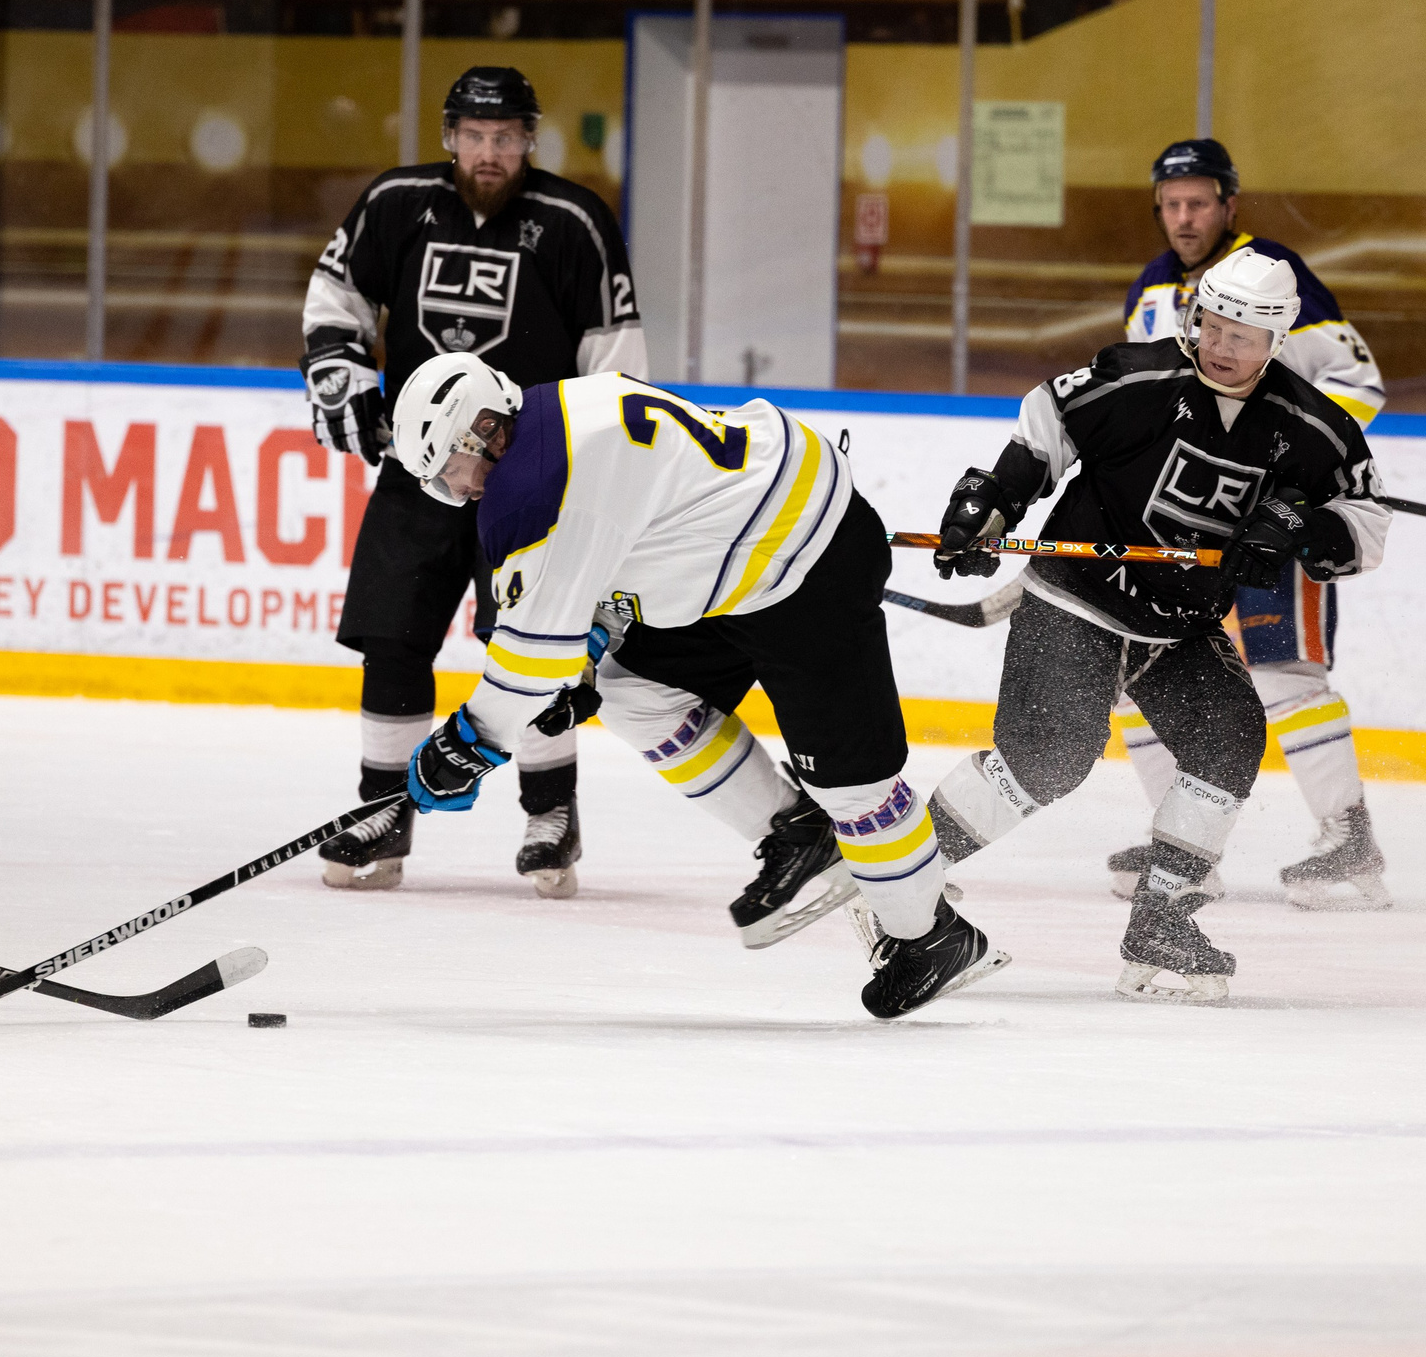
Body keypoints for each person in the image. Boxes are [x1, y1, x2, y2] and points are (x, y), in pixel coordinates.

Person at [377, 353, 1008, 1020]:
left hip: (803, 563)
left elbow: (527, 665)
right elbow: (628, 529)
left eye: (451, 471)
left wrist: (465, 746)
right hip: (737, 551)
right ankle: (797, 831)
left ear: (483, 432)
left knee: (853, 784)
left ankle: (932, 938)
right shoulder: (559, 406)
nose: (460, 490)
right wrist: (586, 649)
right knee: (631, 689)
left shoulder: (528, 487)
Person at [915, 249, 1391, 1002]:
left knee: (1231, 735)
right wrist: (996, 502)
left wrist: (1307, 530)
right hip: (1077, 598)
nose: (1223, 345)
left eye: (1245, 335)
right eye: (1214, 324)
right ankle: (900, 878)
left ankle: (1161, 922)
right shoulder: (1137, 376)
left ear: (1280, 339)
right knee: (1050, 757)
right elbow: (1048, 422)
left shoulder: (1312, 427)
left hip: (1180, 626)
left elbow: (1364, 521)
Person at [300, 66, 644, 895]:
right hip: (418, 468)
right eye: (475, 136)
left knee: (532, 643)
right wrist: (340, 374)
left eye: (507, 137)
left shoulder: (574, 222)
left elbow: (616, 362)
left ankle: (549, 817)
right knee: (392, 640)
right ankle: (381, 816)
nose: (490, 152)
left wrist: (602, 468)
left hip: (531, 480)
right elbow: (335, 297)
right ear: (450, 136)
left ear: (530, 139)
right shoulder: (394, 203)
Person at [1111, 139, 1394, 911]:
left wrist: (1292, 478)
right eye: (1170, 204)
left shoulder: (1274, 273)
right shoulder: (1148, 290)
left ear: (1229, 204)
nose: (1183, 216)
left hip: (1277, 516)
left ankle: (1350, 840)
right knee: (1136, 673)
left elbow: (1355, 383)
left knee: (1281, 673)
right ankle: (1181, 848)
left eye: (1198, 201)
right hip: (1183, 518)